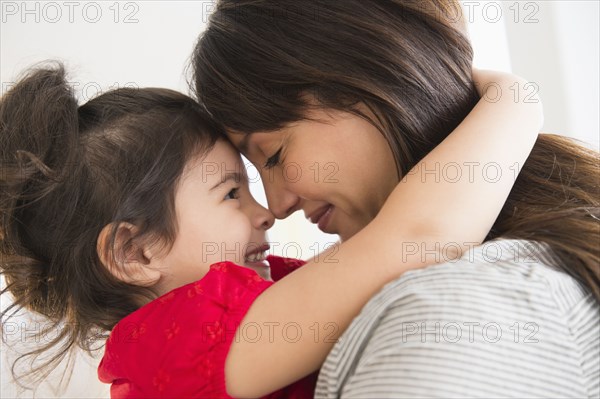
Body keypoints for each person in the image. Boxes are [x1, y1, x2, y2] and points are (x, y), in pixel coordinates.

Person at [0, 61, 541, 398]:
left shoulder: (248, 302)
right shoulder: (177, 343)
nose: (268, 212)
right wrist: (512, 97)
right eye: (232, 192)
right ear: (135, 250)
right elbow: (415, 240)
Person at [192, 0, 600, 397]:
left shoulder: (453, 315)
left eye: (274, 155)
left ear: (367, 80)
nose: (277, 207)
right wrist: (514, 98)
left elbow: (421, 236)